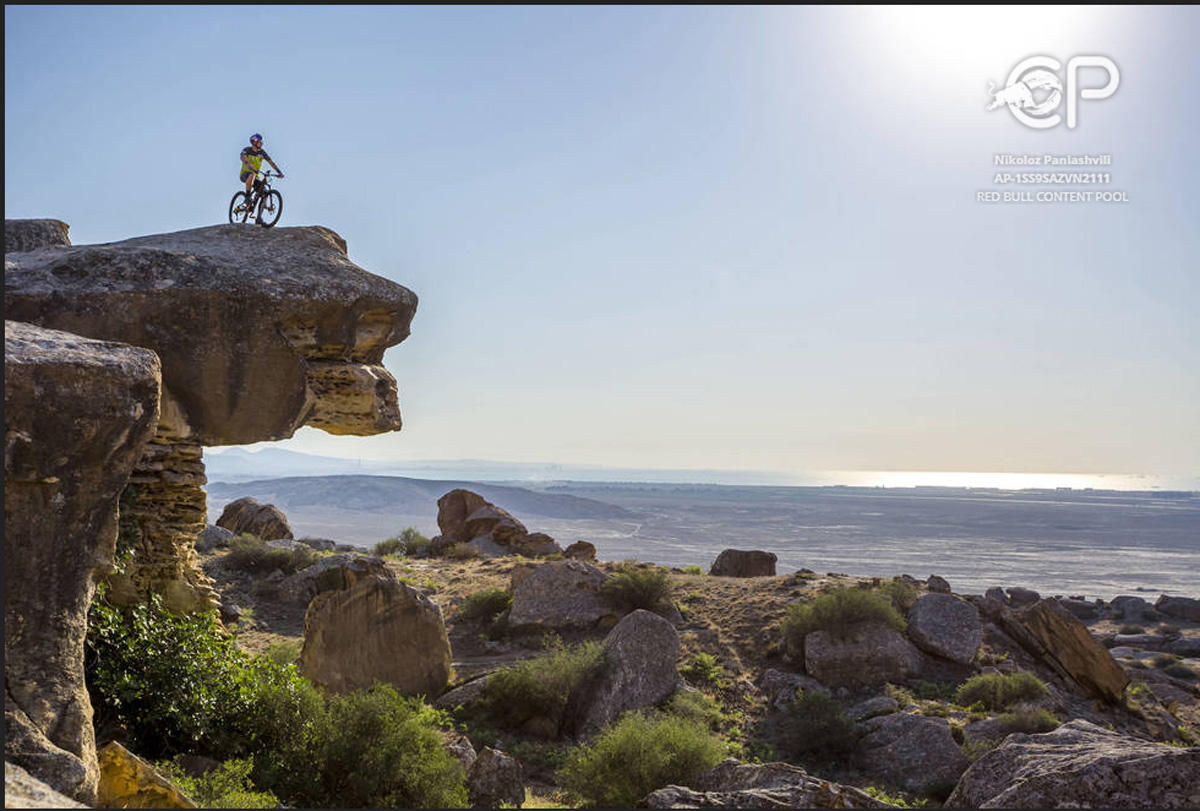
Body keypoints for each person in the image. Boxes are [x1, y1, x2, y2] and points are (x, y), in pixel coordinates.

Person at [239, 133, 283, 205]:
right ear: (254, 142)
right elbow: (243, 157)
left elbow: (271, 162)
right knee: (252, 174)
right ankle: (247, 196)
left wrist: (279, 172)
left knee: (264, 192)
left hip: (255, 176)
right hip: (245, 174)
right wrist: (248, 164)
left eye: (261, 142)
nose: (261, 144)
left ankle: (259, 214)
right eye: (259, 142)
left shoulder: (262, 153)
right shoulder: (247, 150)